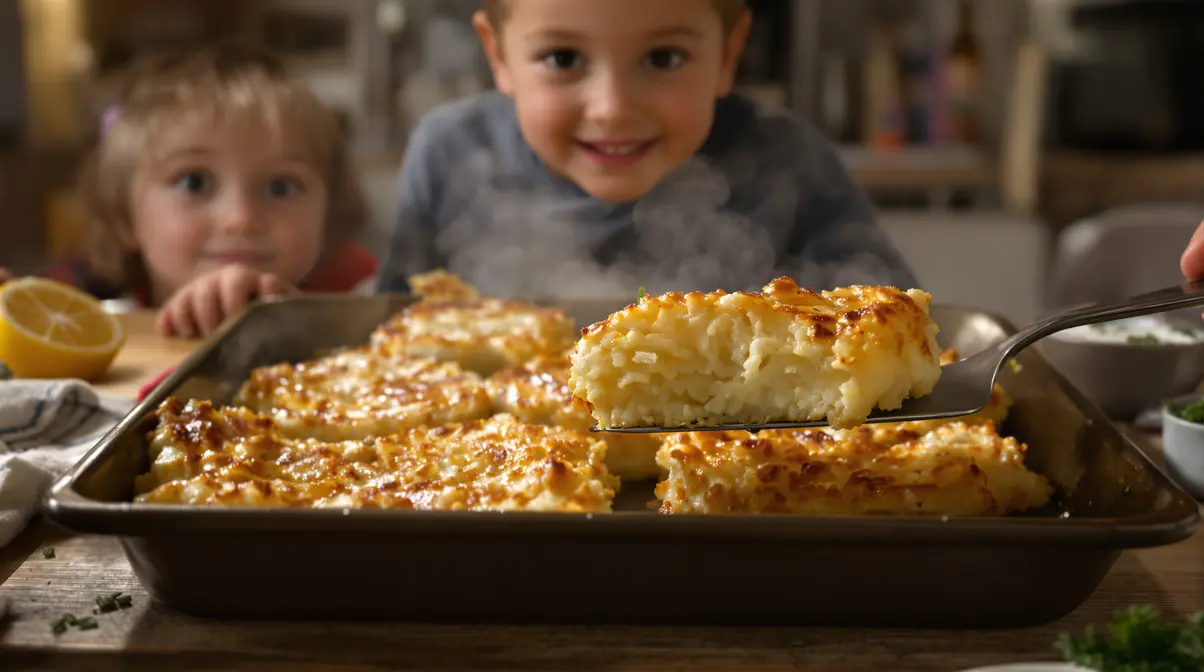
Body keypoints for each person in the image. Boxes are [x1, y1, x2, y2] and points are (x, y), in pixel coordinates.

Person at [375, 0, 919, 299]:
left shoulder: (786, 159)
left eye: (663, 58)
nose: (612, 108)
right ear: (498, 56)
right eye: (563, 59)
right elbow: (383, 341)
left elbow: (895, 329)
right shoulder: (450, 153)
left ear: (727, 55)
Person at [0, 43, 377, 338]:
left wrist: (295, 325)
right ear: (124, 215)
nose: (240, 218)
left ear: (329, 211)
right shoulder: (83, 295)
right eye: (193, 182)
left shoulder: (363, 296)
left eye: (281, 186)